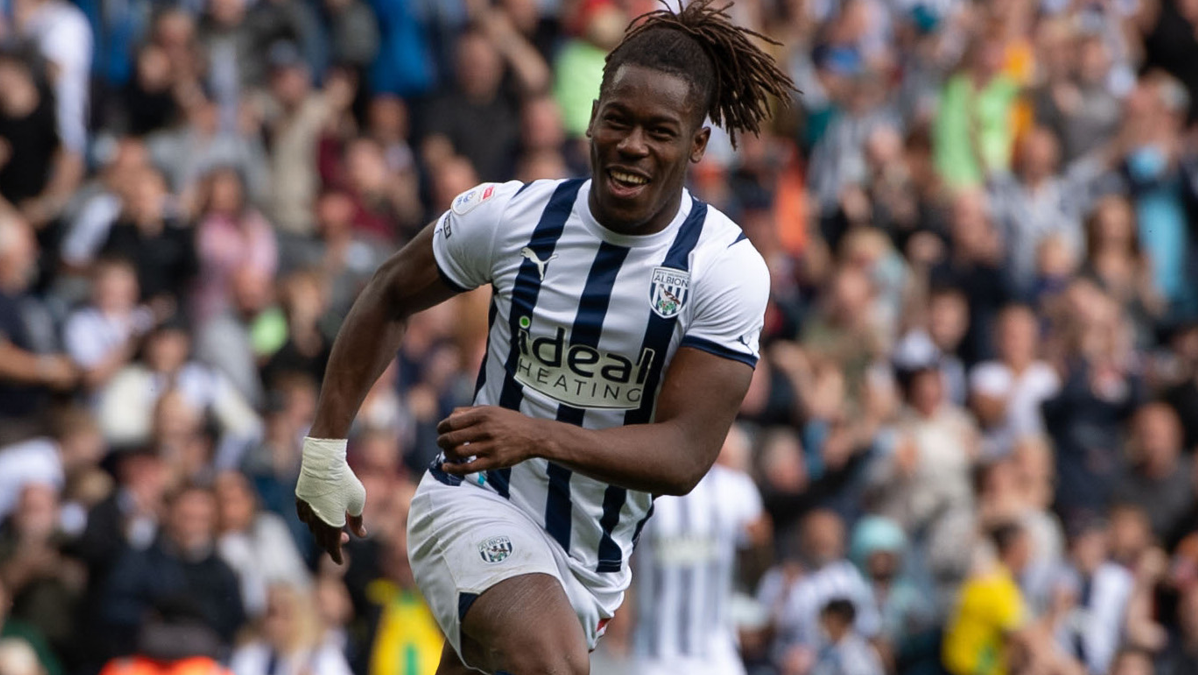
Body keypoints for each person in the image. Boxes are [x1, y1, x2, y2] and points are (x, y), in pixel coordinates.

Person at [293, 2, 794, 674]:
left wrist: (536, 435)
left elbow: (683, 455)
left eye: (660, 131)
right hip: (474, 499)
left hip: (590, 563)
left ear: (698, 144)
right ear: (591, 115)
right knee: (552, 666)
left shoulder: (724, 269)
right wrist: (325, 449)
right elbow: (390, 291)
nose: (632, 145)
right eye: (618, 120)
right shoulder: (511, 216)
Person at [626, 424, 770, 675]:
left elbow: (760, 546)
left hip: (716, 652)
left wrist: (751, 605)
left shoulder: (734, 486)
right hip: (653, 651)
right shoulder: (642, 486)